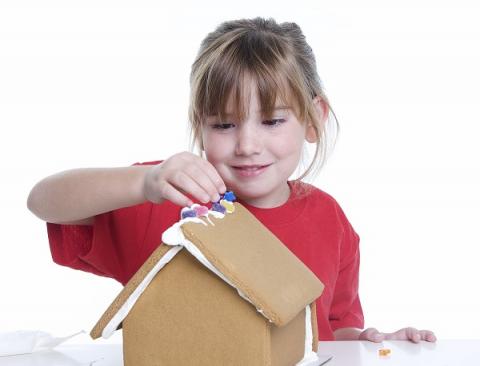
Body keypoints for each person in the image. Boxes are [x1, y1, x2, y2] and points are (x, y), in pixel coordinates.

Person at [27, 17, 436, 343]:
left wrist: (369, 340)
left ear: (314, 120)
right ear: (200, 126)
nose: (247, 145)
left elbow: (331, 330)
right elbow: (42, 200)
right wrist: (143, 182)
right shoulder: (166, 195)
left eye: (272, 120)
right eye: (223, 124)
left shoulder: (331, 220)